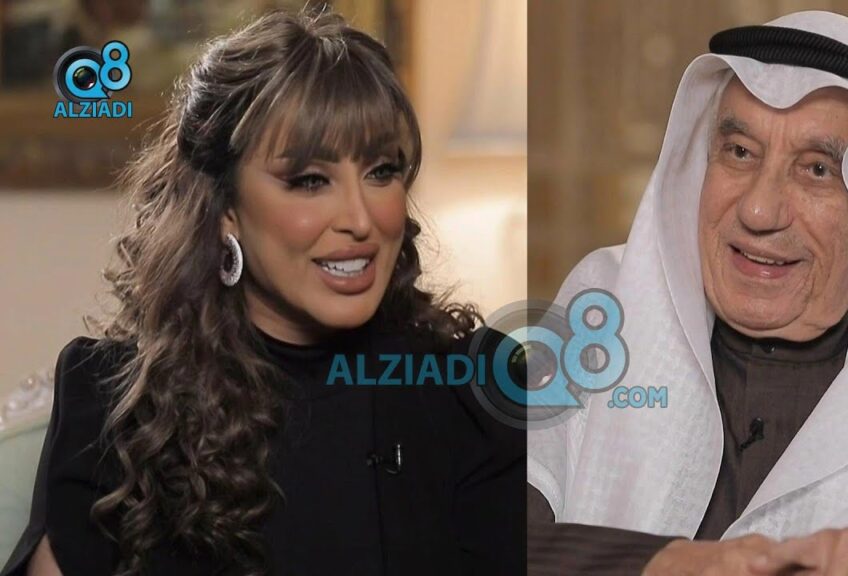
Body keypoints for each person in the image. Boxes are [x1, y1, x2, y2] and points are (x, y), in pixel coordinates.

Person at [2, 8, 524, 576]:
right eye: (309, 181)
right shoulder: (112, 405)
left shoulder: (476, 392)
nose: (361, 219)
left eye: (382, 171)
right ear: (225, 206)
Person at [527, 11, 848, 576]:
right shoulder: (603, 306)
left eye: (817, 170)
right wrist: (655, 561)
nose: (759, 211)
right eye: (740, 152)